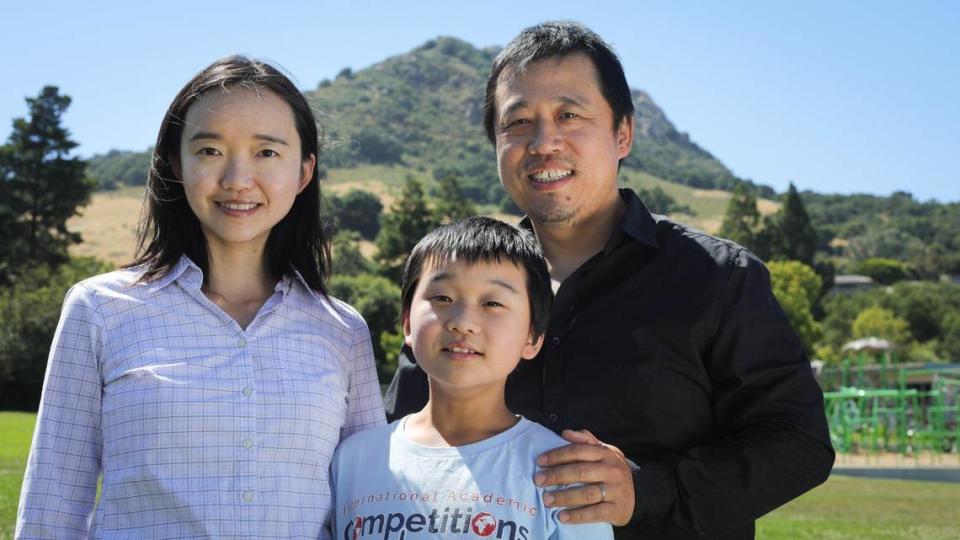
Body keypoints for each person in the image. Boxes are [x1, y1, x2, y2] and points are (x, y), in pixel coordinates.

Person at [385, 21, 835, 540]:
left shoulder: (718, 278)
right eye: (518, 123)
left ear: (623, 132)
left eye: (569, 115)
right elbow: (402, 437)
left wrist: (646, 492)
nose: (543, 142)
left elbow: (797, 442)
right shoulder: (451, 295)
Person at [16, 56, 385, 538]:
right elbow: (51, 509)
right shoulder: (99, 310)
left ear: (304, 171)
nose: (236, 179)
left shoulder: (343, 331)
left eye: (267, 153)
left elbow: (366, 508)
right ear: (176, 163)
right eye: (210, 150)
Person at [330, 217, 612, 540]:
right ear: (407, 322)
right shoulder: (352, 460)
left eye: (492, 303)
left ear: (532, 337)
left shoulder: (561, 473)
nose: (463, 322)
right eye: (442, 299)